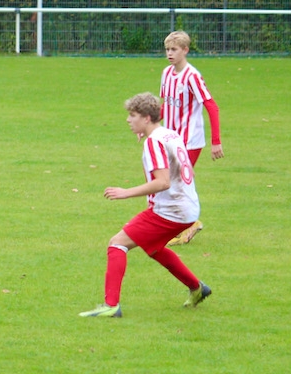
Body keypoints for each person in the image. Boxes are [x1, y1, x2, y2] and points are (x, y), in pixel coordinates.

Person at [79, 92, 211, 318]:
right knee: (155, 248)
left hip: (171, 211)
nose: (128, 120)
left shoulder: (154, 142)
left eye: (133, 115)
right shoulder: (169, 134)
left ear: (147, 118)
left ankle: (111, 306)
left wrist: (125, 193)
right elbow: (187, 169)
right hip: (188, 208)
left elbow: (163, 182)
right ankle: (197, 288)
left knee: (117, 244)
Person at [160, 30, 223, 246]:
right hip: (169, 139)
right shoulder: (166, 73)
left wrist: (216, 141)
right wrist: (148, 124)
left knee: (174, 182)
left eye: (174, 49)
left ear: (185, 50)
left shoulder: (192, 76)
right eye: (167, 49)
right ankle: (184, 224)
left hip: (189, 141)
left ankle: (188, 224)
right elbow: (166, 104)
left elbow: (211, 106)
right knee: (170, 182)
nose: (169, 53)